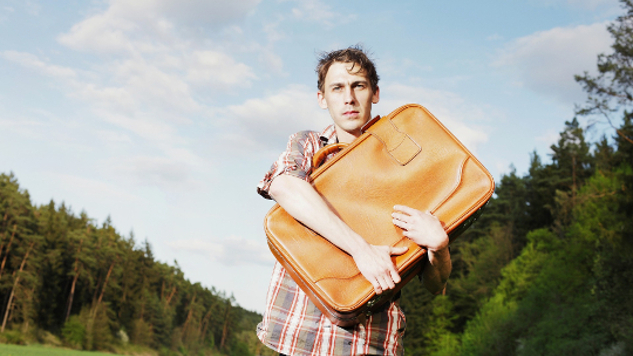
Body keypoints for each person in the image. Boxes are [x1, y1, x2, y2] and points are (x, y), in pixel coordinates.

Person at [256, 46, 452, 356]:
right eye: (337, 88)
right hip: (300, 336)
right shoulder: (308, 143)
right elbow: (284, 186)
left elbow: (434, 285)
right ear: (323, 98)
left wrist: (439, 247)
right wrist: (361, 250)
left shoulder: (407, 166)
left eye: (358, 85)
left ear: (375, 93)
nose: (349, 97)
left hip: (369, 342)